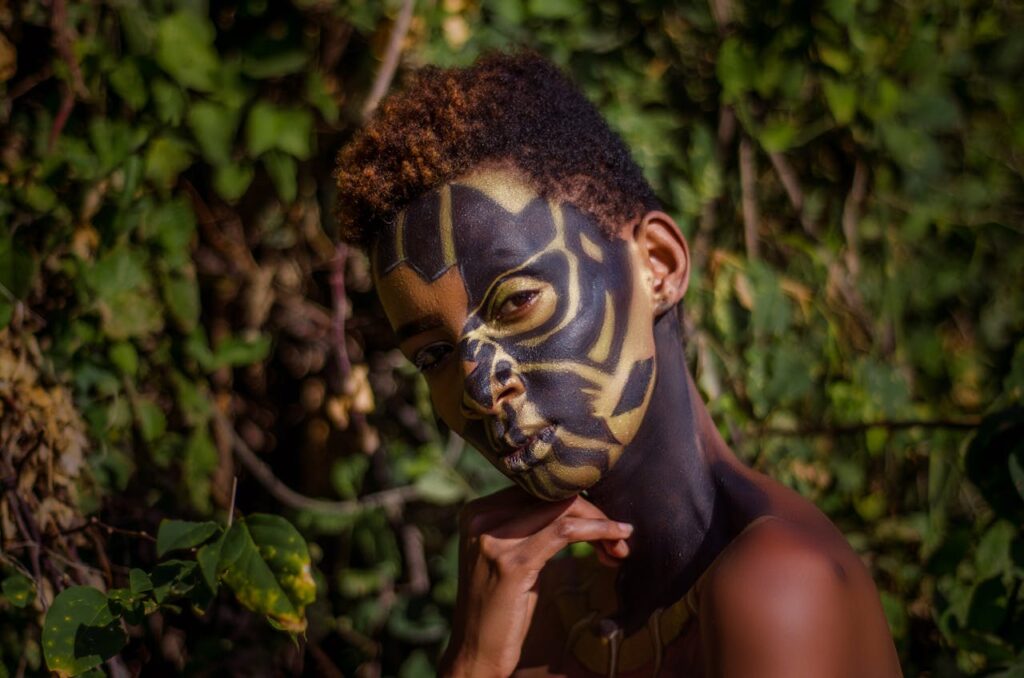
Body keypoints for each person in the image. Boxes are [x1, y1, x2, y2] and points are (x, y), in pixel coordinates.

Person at [334, 52, 902, 677]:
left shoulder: (777, 586)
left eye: (519, 301)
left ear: (656, 264)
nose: (479, 384)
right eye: (434, 354)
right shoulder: (540, 593)